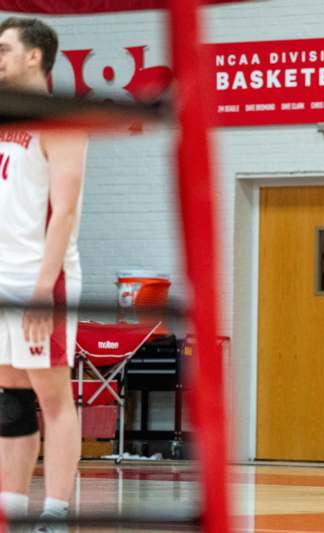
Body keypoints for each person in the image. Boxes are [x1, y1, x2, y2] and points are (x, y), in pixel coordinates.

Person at [0, 17, 87, 532]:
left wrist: (40, 289)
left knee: (52, 396)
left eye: (4, 48)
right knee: (9, 393)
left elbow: (66, 212)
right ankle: (9, 505)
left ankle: (55, 512)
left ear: (34, 56)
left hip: (40, 278)